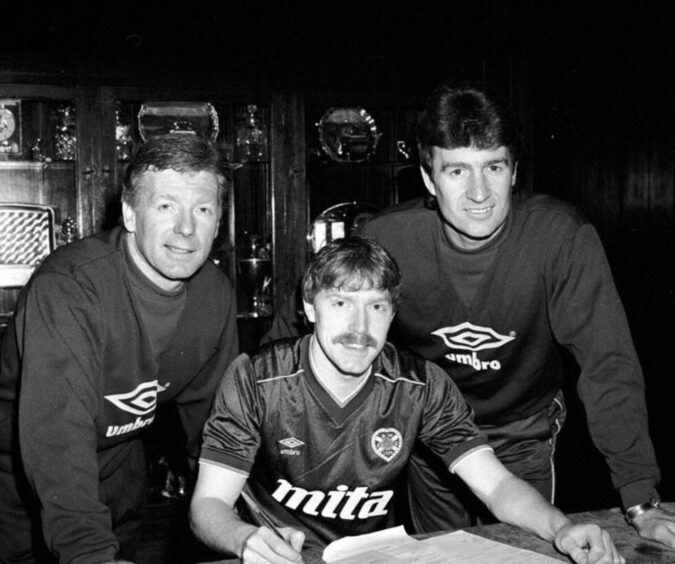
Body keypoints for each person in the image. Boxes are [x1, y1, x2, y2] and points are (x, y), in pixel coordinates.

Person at [356, 83, 675, 546]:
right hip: (433, 433)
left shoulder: (560, 238)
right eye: (457, 171)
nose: (479, 192)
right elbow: (299, 341)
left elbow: (608, 366)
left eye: (494, 167)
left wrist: (640, 499)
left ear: (514, 171)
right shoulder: (387, 240)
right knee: (444, 556)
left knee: (523, 552)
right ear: (429, 178)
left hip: (523, 428)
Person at [190, 236, 624, 564]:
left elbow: (495, 484)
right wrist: (245, 540)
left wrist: (561, 527)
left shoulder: (420, 384)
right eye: (341, 302)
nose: (359, 327)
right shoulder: (258, 378)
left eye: (376, 307)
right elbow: (208, 506)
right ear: (309, 305)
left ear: (393, 313)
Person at [0, 133, 239, 563]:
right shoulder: (71, 287)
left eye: (203, 209)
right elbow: (56, 437)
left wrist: (239, 519)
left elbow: (214, 427)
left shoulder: (215, 294)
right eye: (166, 206)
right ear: (130, 213)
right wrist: (90, 554)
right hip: (19, 475)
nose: (186, 229)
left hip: (119, 465)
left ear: (218, 221)